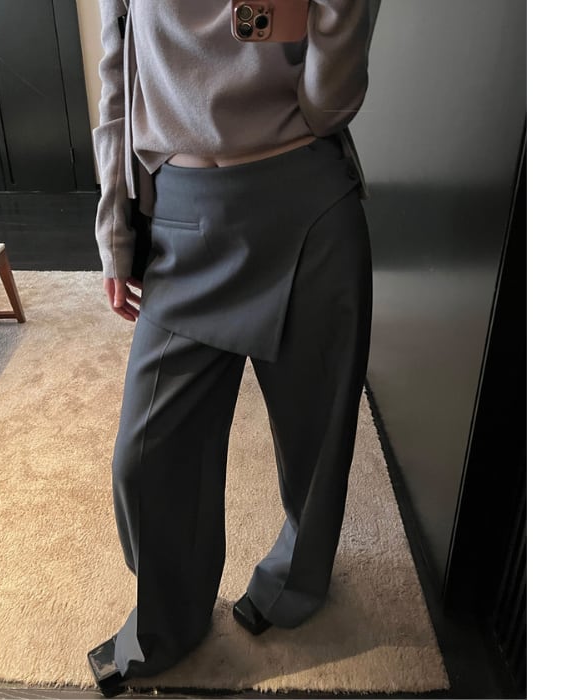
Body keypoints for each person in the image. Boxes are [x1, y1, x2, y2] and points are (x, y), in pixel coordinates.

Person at [88, 1, 375, 696]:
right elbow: (117, 77)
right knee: (144, 458)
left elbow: (330, 105)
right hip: (182, 219)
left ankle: (296, 581)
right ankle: (169, 618)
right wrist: (115, 229)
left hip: (305, 210)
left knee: (315, 437)